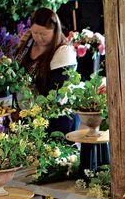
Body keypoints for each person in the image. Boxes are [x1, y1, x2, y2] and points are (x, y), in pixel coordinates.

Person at [14, 7, 77, 135]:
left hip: (55, 119)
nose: (38, 37)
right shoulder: (29, 41)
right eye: (35, 32)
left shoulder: (63, 52)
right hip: (28, 115)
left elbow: (54, 95)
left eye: (44, 34)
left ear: (55, 31)